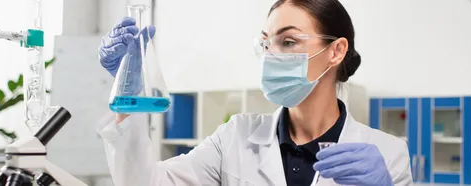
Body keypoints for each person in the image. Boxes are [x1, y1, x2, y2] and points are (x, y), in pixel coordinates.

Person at [97, 0, 413, 185]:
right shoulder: (235, 137)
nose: (271, 55)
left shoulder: (386, 154)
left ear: (336, 51)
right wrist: (130, 86)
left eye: (288, 42)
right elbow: (144, 183)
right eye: (266, 42)